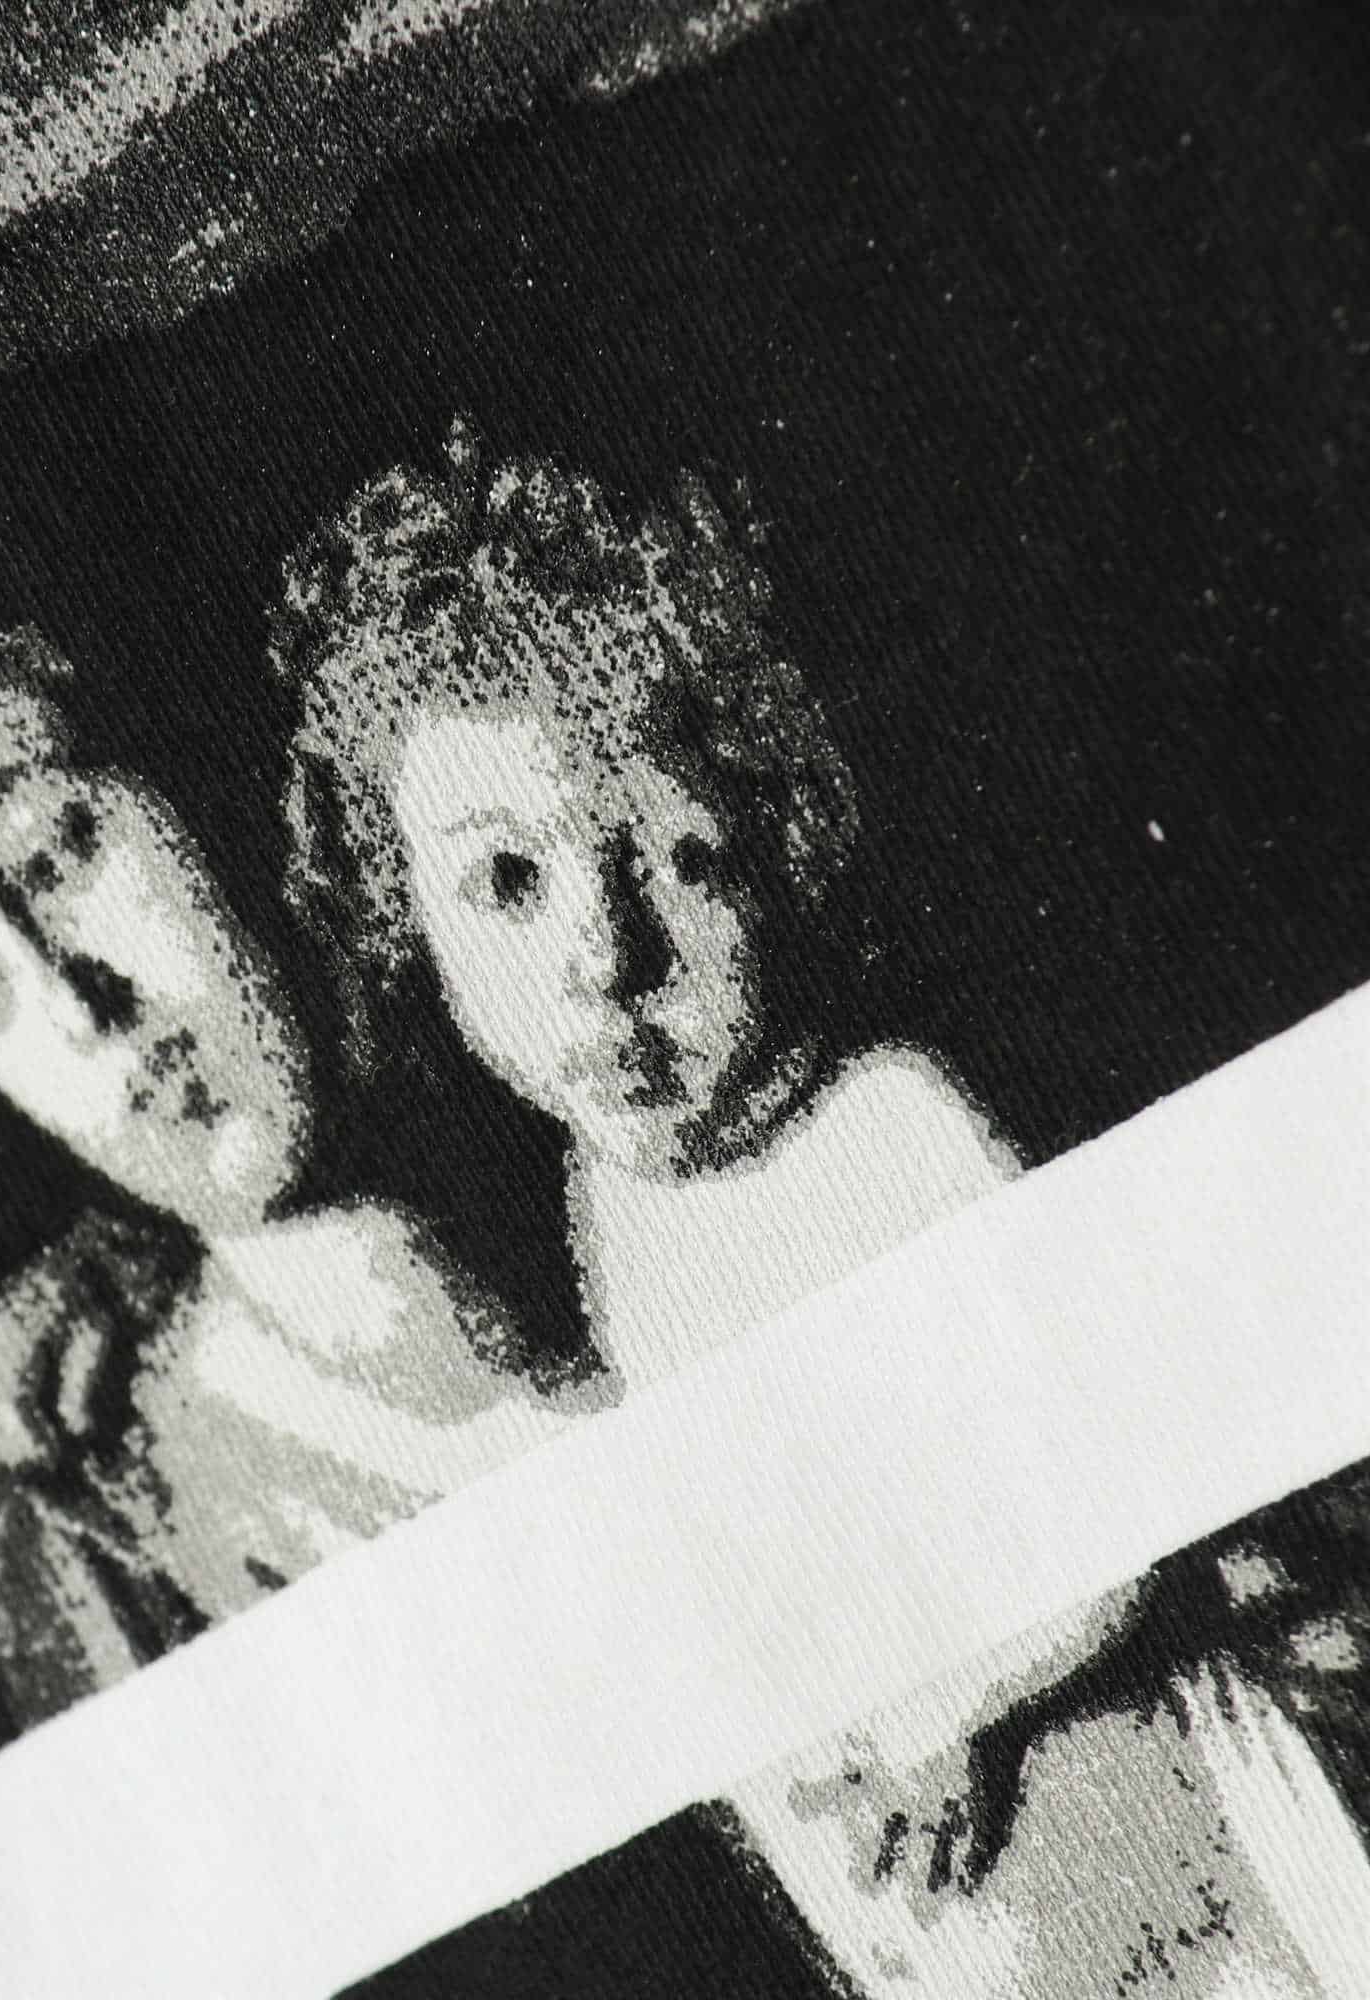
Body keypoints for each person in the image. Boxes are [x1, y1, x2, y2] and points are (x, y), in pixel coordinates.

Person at [273, 426, 1370, 1995]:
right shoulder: (606, 1195)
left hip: (1157, 1815)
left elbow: (1105, 1497)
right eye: (508, 883)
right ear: (406, 919)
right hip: (954, 1892)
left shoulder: (888, 1130)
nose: (610, 956)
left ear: (774, 847)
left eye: (677, 858)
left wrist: (941, 1716)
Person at [0, 573, 571, 1726]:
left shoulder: (621, 1089)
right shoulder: (119, 1547)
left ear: (189, 773)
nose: (75, 1004)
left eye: (54, 857)